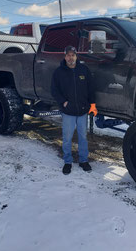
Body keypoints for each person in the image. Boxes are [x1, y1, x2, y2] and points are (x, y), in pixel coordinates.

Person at [51, 46, 98, 175]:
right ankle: (67, 162)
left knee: (83, 137)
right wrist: (64, 102)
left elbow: (91, 88)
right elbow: (54, 90)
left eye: (73, 55)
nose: (71, 57)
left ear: (76, 56)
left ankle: (83, 160)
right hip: (68, 112)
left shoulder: (84, 70)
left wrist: (92, 104)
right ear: (65, 56)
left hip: (83, 110)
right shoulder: (59, 72)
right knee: (67, 138)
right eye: (68, 55)